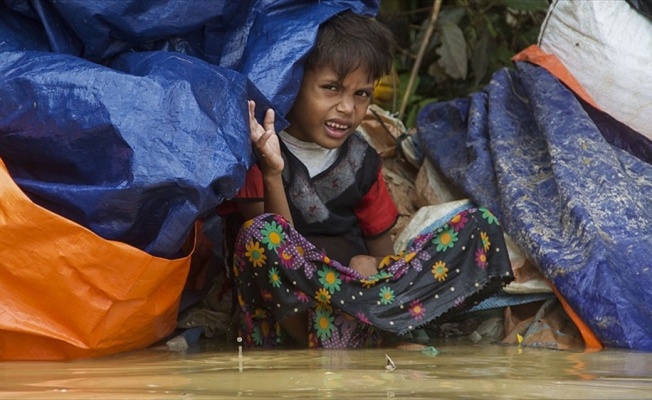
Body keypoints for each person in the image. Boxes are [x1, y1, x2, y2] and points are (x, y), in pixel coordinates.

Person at [219, 10, 514, 348]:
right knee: (261, 233)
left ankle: (370, 327)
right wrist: (272, 172)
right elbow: (280, 251)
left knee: (479, 224)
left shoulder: (362, 159)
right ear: (293, 81)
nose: (348, 108)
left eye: (362, 94)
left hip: (358, 299)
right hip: (292, 315)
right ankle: (369, 333)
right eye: (331, 89)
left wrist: (371, 273)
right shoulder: (257, 151)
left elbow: (383, 256)